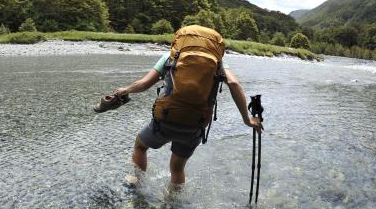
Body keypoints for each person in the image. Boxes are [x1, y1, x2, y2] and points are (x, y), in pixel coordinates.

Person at [112, 49, 263, 187]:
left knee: (140, 146)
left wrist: (125, 90)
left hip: (166, 119)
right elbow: (234, 83)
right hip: (195, 124)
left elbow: (144, 84)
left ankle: (138, 184)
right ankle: (172, 206)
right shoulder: (218, 63)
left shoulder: (170, 57)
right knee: (177, 168)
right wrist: (247, 120)